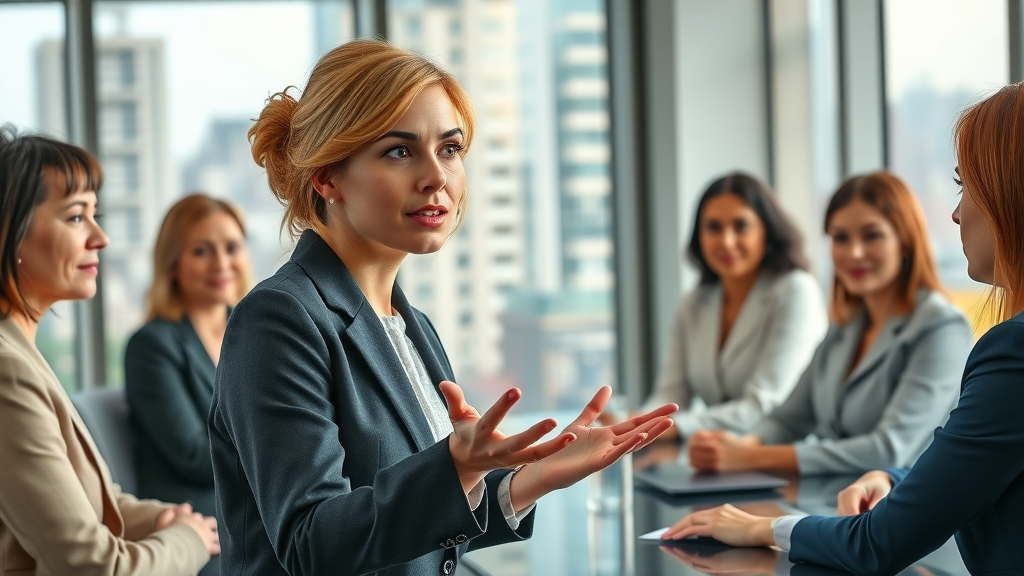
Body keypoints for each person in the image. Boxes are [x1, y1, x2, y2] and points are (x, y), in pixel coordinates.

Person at [208, 39, 678, 576]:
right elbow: (312, 543)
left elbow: (422, 534)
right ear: (327, 176)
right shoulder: (279, 320)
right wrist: (455, 465)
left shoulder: (411, 327)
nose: (436, 177)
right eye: (399, 150)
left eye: (450, 149)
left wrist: (538, 473)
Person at [662, 83, 1024, 575]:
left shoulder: (1001, 346)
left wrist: (760, 527)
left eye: (967, 187)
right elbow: (968, 460)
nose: (957, 213)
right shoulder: (843, 330)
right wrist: (893, 480)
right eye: (839, 238)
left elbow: (881, 538)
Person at [0, 127, 219, 575]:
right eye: (77, 217)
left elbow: (85, 501)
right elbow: (93, 567)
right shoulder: (8, 372)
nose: (101, 238)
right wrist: (187, 540)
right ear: (11, 231)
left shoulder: (21, 353)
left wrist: (163, 519)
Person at [687, 171, 972, 475]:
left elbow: (889, 449)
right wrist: (744, 445)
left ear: (905, 241)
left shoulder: (941, 328)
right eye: (840, 238)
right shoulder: (844, 328)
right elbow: (788, 418)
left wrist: (751, 458)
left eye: (871, 235)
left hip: (901, 512)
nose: (854, 253)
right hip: (834, 502)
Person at [633, 172, 827, 440]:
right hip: (718, 461)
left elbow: (766, 405)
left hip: (784, 458)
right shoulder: (694, 303)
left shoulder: (795, 290)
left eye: (741, 226)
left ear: (766, 232)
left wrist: (668, 428)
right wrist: (630, 424)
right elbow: (670, 395)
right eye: (713, 227)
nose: (726, 241)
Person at [124, 194, 251, 576]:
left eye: (231, 247)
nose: (221, 263)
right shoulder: (152, 345)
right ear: (173, 264)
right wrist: (287, 453)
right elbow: (195, 455)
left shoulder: (255, 334)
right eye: (201, 250)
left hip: (260, 511)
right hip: (202, 523)